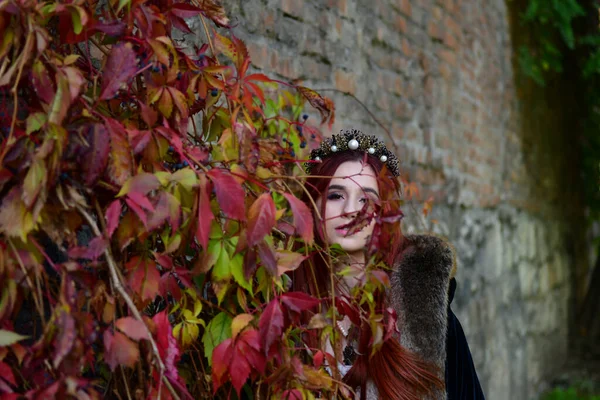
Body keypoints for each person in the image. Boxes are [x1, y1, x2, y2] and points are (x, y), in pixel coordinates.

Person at [292, 128, 485, 399]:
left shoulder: (425, 314)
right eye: (336, 195)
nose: (351, 210)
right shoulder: (282, 308)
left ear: (385, 214)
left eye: (366, 200)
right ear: (312, 205)